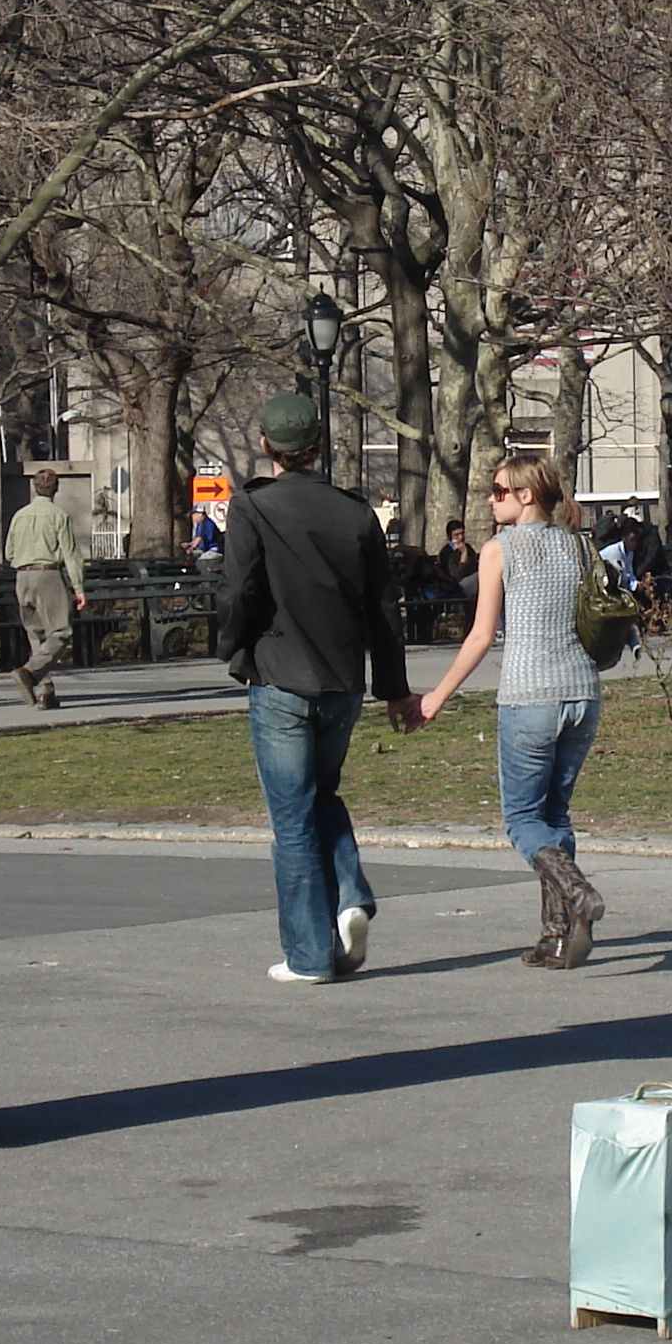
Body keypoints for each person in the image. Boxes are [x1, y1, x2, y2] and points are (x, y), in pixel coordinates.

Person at [219, 392, 423, 984]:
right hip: (341, 681)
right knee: (321, 795)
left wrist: (232, 647)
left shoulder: (253, 508)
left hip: (280, 672)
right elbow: (384, 607)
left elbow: (239, 590)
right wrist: (393, 688)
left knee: (292, 817)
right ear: (317, 447)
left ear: (266, 446)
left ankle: (309, 954)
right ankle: (350, 896)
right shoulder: (354, 513)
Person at [417, 453, 607, 969]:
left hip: (530, 698)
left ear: (526, 495)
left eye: (499, 491)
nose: (490, 499)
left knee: (523, 818)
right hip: (583, 694)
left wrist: (436, 696)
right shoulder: (579, 545)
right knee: (555, 816)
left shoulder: (499, 550)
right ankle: (556, 935)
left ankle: (577, 891)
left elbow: (480, 635)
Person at [5, 470, 87, 708]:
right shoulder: (58, 515)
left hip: (22, 577)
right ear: (56, 488)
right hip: (48, 574)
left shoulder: (19, 516)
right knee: (61, 631)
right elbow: (71, 554)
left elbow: (9, 552)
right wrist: (79, 587)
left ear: (34, 487)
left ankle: (45, 692)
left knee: (37, 634)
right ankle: (29, 673)